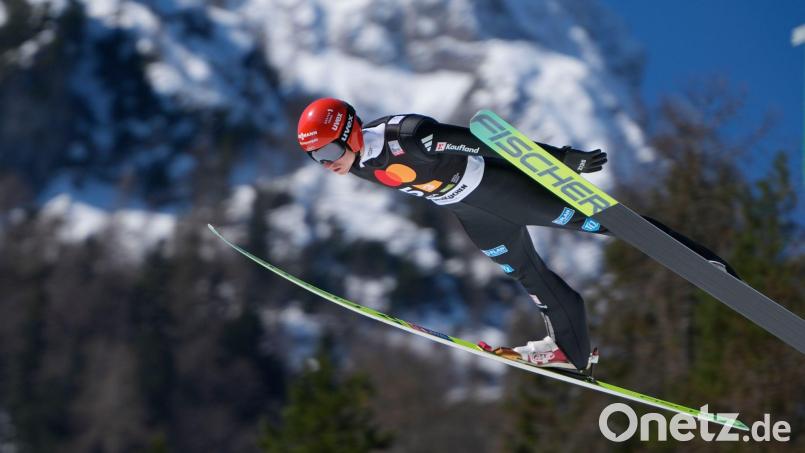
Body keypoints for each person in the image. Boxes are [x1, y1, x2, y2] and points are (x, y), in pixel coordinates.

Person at [296, 97, 738, 371]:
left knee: (613, 223)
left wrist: (559, 158)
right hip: (474, 214)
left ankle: (706, 263)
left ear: (351, 130)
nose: (328, 163)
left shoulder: (409, 136)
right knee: (529, 275)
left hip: (505, 191)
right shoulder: (354, 164)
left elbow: (484, 142)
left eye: (330, 150)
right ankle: (570, 351)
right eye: (316, 158)